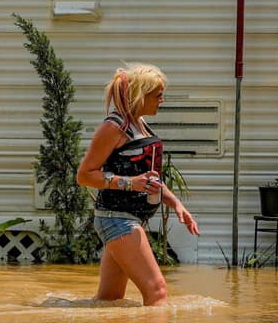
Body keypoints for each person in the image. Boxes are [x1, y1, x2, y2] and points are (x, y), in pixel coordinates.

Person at [76, 63, 200, 306]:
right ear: (139, 97)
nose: (162, 100)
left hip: (126, 218)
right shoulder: (113, 128)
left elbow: (149, 179)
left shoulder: (140, 123)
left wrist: (176, 205)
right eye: (158, 95)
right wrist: (130, 183)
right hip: (117, 219)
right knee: (157, 291)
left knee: (109, 301)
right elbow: (85, 175)